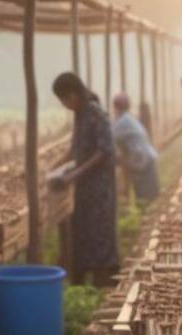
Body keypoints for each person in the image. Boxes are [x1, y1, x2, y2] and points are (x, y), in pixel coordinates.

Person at [48, 72, 119, 286]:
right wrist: (50, 168)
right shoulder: (80, 114)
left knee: (100, 230)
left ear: (72, 95)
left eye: (63, 100)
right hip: (85, 185)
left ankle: (104, 280)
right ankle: (85, 278)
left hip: (100, 186)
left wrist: (72, 175)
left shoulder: (96, 113)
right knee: (84, 229)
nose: (64, 105)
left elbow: (104, 152)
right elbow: (74, 150)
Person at [111, 93, 161, 205]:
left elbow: (109, 139)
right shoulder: (129, 119)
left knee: (145, 199)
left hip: (141, 161)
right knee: (150, 197)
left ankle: (147, 218)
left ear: (116, 107)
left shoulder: (121, 123)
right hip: (147, 158)